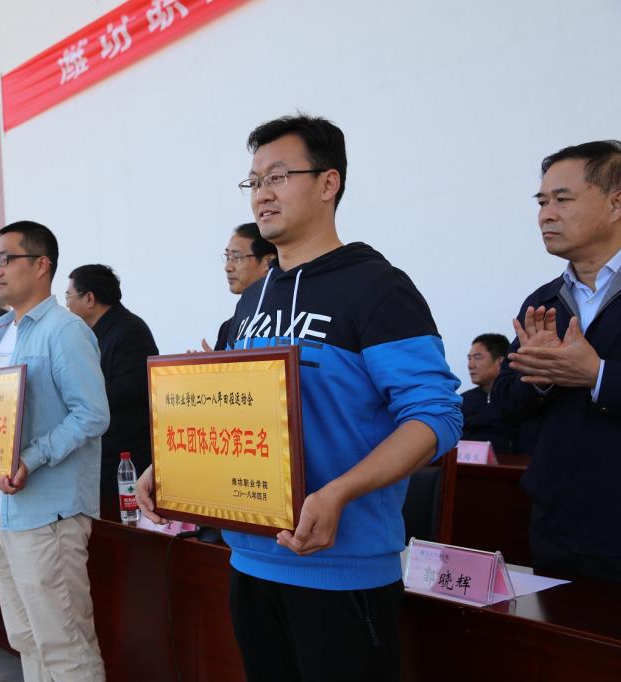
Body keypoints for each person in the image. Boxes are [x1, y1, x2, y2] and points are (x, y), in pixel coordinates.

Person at [136, 114, 462, 681]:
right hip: (251, 562)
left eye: (279, 177)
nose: (262, 193)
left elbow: (436, 415)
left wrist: (338, 493)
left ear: (329, 182)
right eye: (254, 180)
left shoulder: (376, 287)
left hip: (343, 572)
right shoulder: (252, 300)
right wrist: (171, 468)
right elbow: (233, 410)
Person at [0, 221, 110, 682]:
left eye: (6, 259)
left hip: (46, 515)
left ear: (42, 265)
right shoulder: (5, 332)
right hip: (1, 510)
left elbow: (92, 414)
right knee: (26, 638)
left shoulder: (64, 331)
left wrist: (31, 458)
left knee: (64, 644)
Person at [495, 140, 621, 584]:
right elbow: (505, 400)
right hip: (559, 522)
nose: (546, 215)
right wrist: (540, 377)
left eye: (562, 200)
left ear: (616, 203)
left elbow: (595, 377)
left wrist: (597, 375)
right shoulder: (545, 301)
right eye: (542, 202)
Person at [65, 264, 159, 519]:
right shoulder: (89, 335)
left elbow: (129, 390)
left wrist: (76, 395)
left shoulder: (130, 331)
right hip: (101, 455)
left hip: (126, 459)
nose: (66, 305)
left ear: (89, 298)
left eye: (68, 296)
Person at [207, 223, 277, 351]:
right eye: (227, 257)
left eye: (237, 257)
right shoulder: (228, 328)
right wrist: (213, 363)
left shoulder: (286, 317)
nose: (228, 267)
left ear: (268, 262)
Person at [459, 333, 518, 454]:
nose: (470, 365)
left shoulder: (518, 399)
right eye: (469, 358)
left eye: (477, 358)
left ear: (500, 361)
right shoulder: (463, 401)